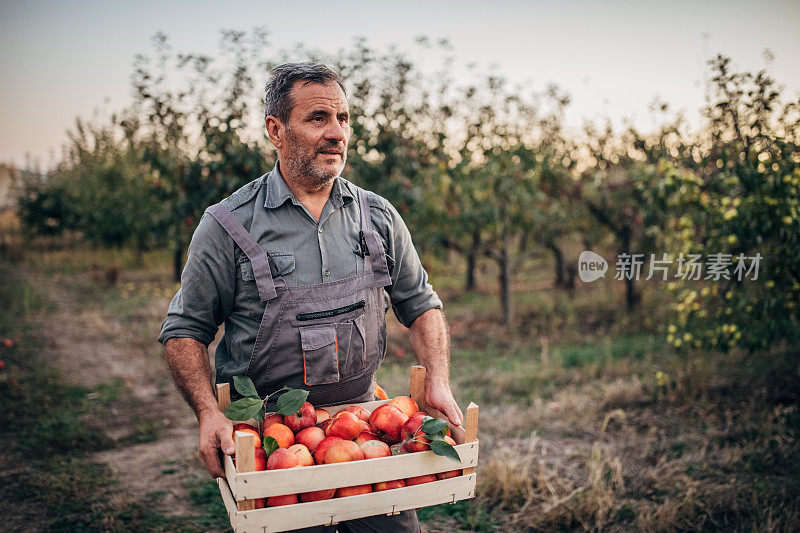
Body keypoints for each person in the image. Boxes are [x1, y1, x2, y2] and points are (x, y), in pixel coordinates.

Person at [158, 63, 462, 532]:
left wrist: (438, 380)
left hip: (366, 431)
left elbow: (421, 304)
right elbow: (184, 331)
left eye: (343, 119)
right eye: (318, 118)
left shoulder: (377, 217)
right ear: (275, 130)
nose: (337, 133)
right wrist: (207, 412)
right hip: (270, 440)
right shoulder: (228, 226)